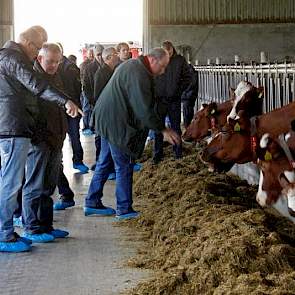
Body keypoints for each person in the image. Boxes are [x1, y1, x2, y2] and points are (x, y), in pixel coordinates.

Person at [0, 27, 80, 252]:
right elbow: (35, 85)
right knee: (12, 183)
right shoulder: (13, 58)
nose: (35, 53)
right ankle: (8, 233)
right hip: (15, 128)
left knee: (24, 182)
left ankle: (22, 229)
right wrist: (65, 101)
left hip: (20, 127)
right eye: (36, 46)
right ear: (25, 40)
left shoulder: (15, 58)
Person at [84, 48, 180, 219]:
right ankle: (124, 208)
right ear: (152, 59)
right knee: (124, 165)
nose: (163, 71)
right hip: (116, 123)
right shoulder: (138, 73)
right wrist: (163, 129)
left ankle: (92, 202)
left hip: (106, 120)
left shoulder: (133, 66)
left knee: (104, 162)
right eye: (163, 66)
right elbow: (143, 109)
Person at [20, 43, 71, 242]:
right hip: (39, 140)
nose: (54, 65)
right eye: (50, 61)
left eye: (57, 62)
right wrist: (39, 137)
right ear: (39, 58)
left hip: (55, 139)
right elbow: (31, 112)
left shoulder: (55, 77)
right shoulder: (32, 79)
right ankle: (32, 228)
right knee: (34, 185)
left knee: (48, 187)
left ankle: (46, 226)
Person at [153, 40, 192, 164]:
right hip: (159, 100)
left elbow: (188, 77)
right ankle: (157, 154)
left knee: (175, 127)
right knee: (158, 127)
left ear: (172, 49)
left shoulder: (179, 60)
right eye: (165, 53)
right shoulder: (156, 60)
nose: (168, 55)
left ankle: (178, 152)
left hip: (174, 100)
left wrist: (179, 90)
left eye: (169, 52)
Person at [58, 43, 88, 173]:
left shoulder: (71, 68)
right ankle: (57, 167)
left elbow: (77, 89)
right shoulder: (46, 67)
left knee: (75, 136)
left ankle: (78, 161)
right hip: (57, 110)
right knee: (57, 140)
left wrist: (76, 106)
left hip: (72, 108)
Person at [91, 47, 120, 173]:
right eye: (115, 54)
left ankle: (107, 168)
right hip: (107, 116)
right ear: (108, 57)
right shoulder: (101, 73)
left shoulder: (113, 71)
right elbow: (98, 95)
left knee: (108, 149)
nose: (118, 56)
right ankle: (106, 169)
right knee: (106, 147)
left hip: (113, 114)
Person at [82, 43, 104, 135]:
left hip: (106, 100)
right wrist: (91, 100)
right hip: (95, 100)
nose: (100, 57)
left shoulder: (109, 66)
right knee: (97, 128)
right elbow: (86, 86)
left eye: (101, 54)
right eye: (98, 54)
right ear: (94, 55)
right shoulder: (89, 68)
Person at [181, 64, 198, 128]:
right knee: (188, 112)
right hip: (189, 96)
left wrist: (183, 93)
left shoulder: (190, 73)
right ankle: (188, 126)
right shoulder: (190, 72)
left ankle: (188, 127)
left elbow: (190, 86)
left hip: (188, 97)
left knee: (187, 113)